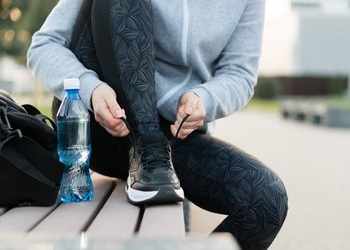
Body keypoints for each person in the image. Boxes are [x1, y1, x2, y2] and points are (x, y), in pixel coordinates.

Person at [27, 0, 288, 249]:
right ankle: (146, 143)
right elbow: (44, 46)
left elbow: (239, 73)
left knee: (266, 200)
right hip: (104, 121)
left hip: (174, 141)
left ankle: (153, 157)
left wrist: (204, 100)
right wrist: (90, 89)